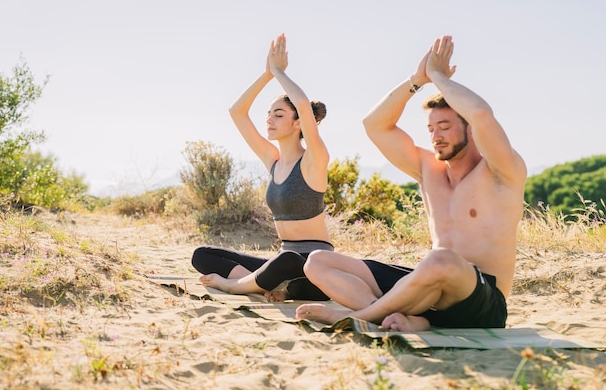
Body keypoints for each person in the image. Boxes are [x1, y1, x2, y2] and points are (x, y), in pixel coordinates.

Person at [296, 35, 527, 331]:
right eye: (431, 129)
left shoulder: (501, 170)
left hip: (482, 302)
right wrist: (417, 79)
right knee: (317, 262)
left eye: (444, 127)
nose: (435, 136)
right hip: (428, 290)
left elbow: (481, 114)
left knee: (442, 260)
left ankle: (360, 318)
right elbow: (374, 125)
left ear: (470, 131)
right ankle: (403, 318)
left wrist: (439, 76)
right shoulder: (427, 168)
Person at [191, 34, 333, 301]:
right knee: (203, 255)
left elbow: (302, 104)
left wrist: (280, 72)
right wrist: (267, 74)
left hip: (314, 265)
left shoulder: (314, 159)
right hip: (282, 260)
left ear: (298, 123)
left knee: (289, 263)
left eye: (278, 115)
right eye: (268, 113)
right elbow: (237, 112)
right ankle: (264, 285)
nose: (269, 119)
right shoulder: (274, 160)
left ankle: (237, 285)